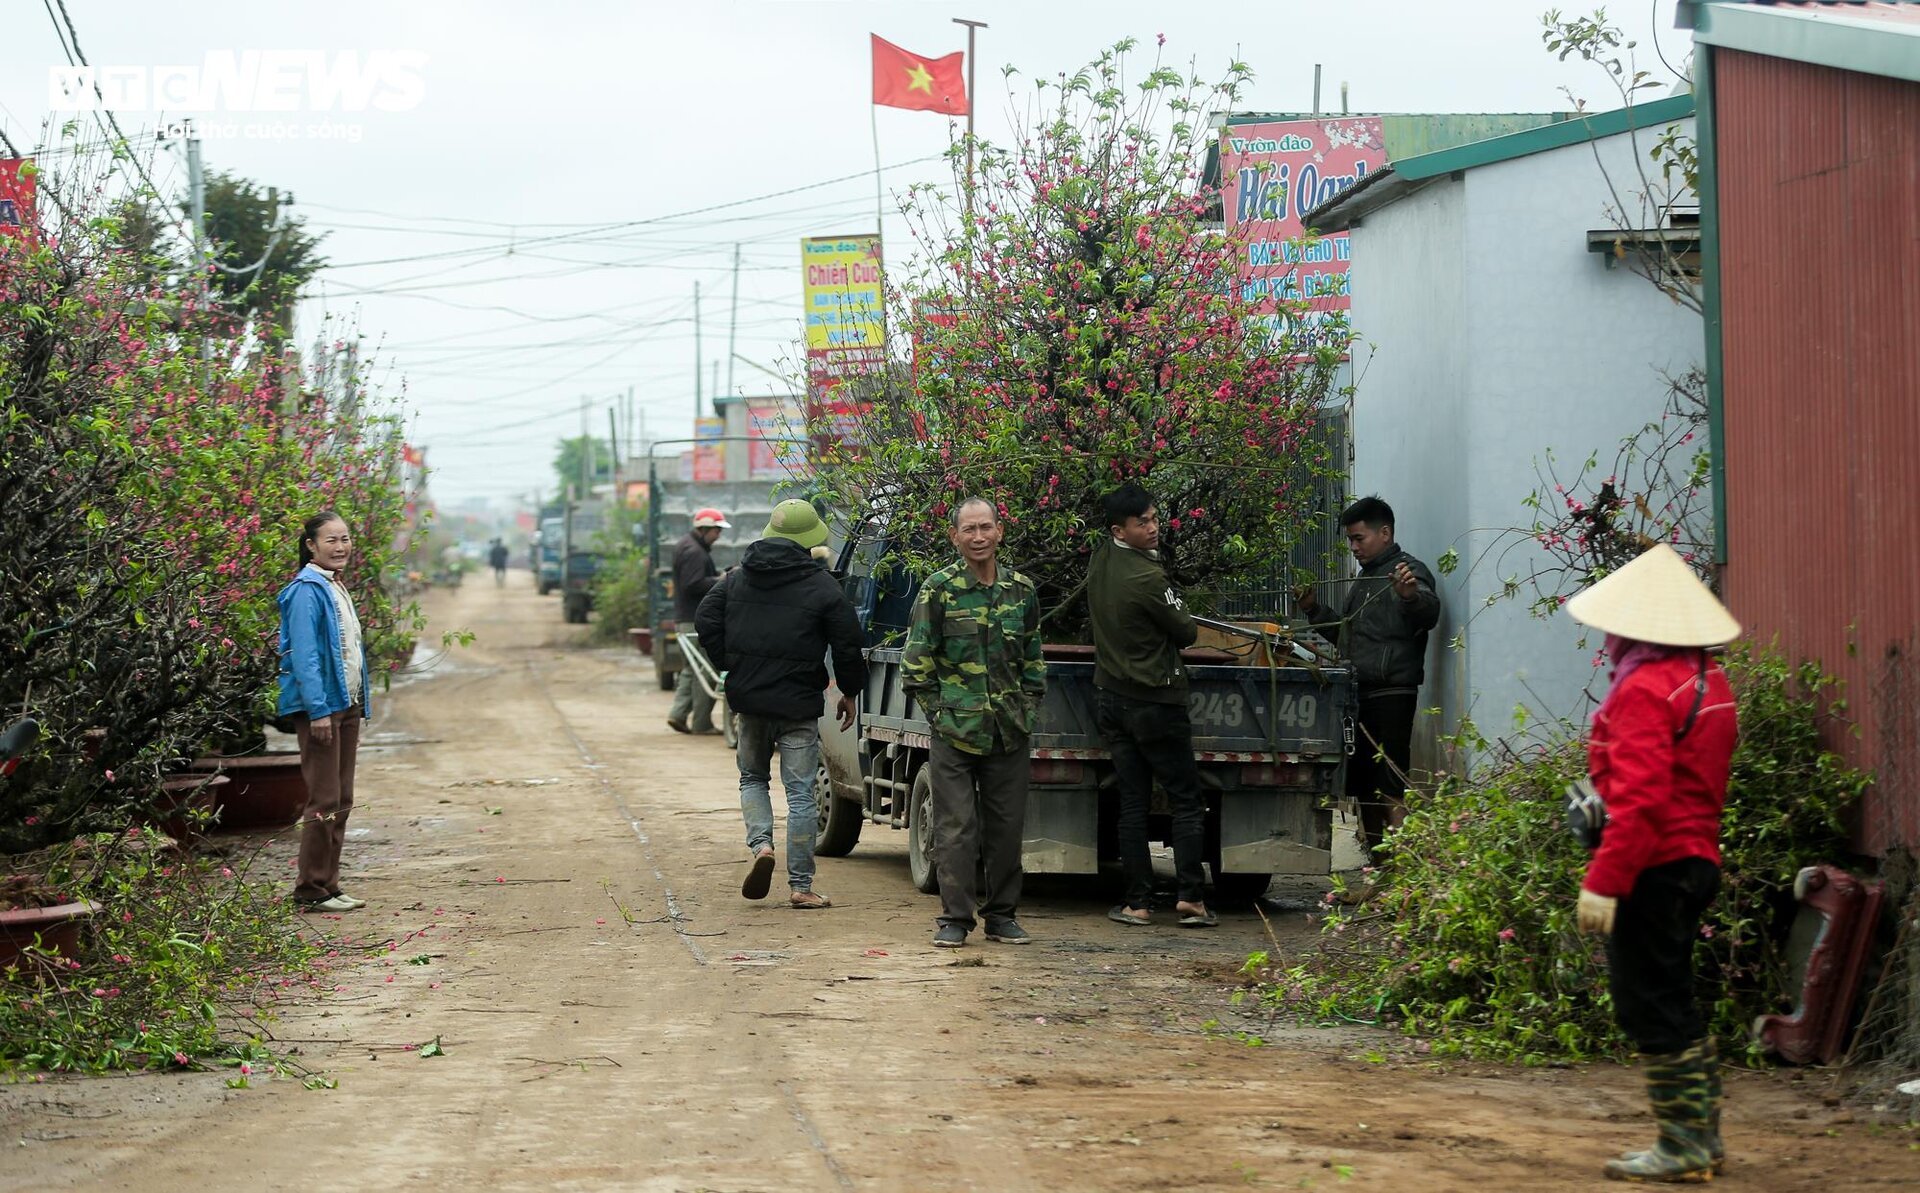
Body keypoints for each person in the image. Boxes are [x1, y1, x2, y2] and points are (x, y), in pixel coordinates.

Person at [1567, 543, 1739, 1183]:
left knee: (1649, 1004)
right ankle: (1701, 1138)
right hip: (1695, 861)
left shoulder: (1641, 687)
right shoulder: (1707, 680)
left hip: (1653, 867)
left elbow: (1640, 806)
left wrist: (1603, 882)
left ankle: (1684, 1145)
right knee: (1674, 996)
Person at [695, 500, 867, 910]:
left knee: (752, 779)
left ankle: (761, 848)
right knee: (802, 794)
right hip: (798, 706)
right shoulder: (824, 586)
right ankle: (801, 886)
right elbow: (847, 642)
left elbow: (705, 618)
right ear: (810, 541)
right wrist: (850, 690)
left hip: (750, 700)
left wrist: (731, 664)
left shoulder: (737, 579)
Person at [901, 498, 1047, 949]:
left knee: (1006, 829)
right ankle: (955, 919)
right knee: (956, 828)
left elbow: (1033, 660)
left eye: (986, 528)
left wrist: (1026, 708)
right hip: (955, 734)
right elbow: (916, 666)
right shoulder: (938, 590)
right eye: (969, 529)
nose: (978, 537)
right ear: (955, 537)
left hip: (1008, 731)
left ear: (1000, 532)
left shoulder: (1021, 591)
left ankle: (1002, 916)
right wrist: (941, 715)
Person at [1088, 482, 1216, 930]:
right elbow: (1186, 632)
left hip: (1111, 699)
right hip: (1157, 703)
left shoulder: (1100, 561)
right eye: (1142, 522)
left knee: (1133, 803)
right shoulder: (1148, 580)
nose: (1153, 528)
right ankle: (1190, 898)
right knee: (1185, 800)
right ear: (1119, 531)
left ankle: (1138, 903)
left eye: (1155, 519)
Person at [1297, 495, 1440, 868]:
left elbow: (1429, 611)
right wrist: (1314, 609)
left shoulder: (1408, 572)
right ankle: (1379, 872)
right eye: (1351, 540)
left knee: (1390, 784)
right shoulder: (1364, 579)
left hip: (1392, 694)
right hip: (1359, 694)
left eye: (1359, 538)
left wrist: (1409, 597)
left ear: (1385, 532)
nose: (1354, 547)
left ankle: (1402, 875)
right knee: (1363, 787)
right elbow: (1346, 636)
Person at [277, 511, 373, 914]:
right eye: (331, 540)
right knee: (324, 798)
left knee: (342, 797)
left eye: (345, 539)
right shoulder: (305, 591)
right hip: (323, 709)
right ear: (311, 546)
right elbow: (305, 656)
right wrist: (318, 711)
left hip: (345, 704)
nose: (340, 547)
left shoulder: (334, 586)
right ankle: (311, 888)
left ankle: (329, 884)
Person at [667, 508, 729, 735]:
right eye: (716, 530)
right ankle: (702, 722)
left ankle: (678, 714)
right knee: (705, 669)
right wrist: (721, 580)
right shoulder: (694, 551)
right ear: (704, 529)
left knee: (690, 670)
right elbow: (693, 584)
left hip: (686, 618)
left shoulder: (688, 546)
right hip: (694, 619)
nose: (718, 535)